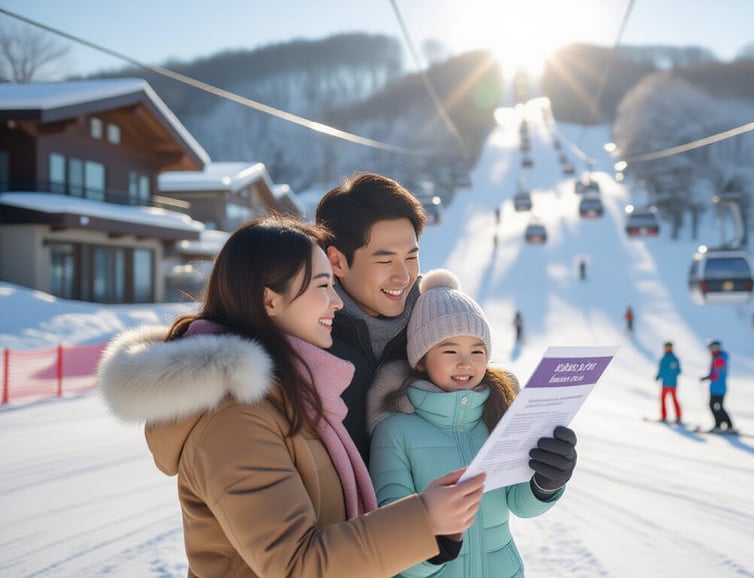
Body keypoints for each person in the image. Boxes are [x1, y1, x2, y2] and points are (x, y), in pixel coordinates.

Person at [97, 215, 486, 577]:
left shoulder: (294, 393)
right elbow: (295, 565)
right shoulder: (232, 417)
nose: (335, 302)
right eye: (322, 287)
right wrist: (424, 520)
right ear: (270, 300)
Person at [367, 269, 577, 577]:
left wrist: (546, 483)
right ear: (421, 359)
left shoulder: (497, 415)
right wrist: (433, 534)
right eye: (450, 350)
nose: (466, 362)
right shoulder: (395, 432)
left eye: (477, 351)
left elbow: (521, 505)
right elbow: (394, 546)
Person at [315, 172, 427, 461]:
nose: (404, 276)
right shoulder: (307, 340)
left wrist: (540, 482)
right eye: (385, 260)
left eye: (411, 258)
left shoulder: (435, 328)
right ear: (336, 261)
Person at [700, 339, 733, 431]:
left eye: (713, 348)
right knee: (715, 406)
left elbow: (717, 374)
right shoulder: (717, 358)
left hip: (719, 387)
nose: (711, 350)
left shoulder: (719, 359)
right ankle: (722, 425)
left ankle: (725, 425)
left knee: (716, 406)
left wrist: (708, 377)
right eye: (710, 348)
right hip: (715, 387)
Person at [654, 341, 683, 424]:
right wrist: (659, 376)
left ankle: (678, 417)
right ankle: (664, 416)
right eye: (666, 347)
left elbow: (678, 371)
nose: (668, 349)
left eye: (669, 347)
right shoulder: (663, 359)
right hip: (665, 384)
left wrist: (672, 373)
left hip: (672, 384)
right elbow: (661, 370)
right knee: (663, 399)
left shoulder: (674, 359)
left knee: (674, 400)